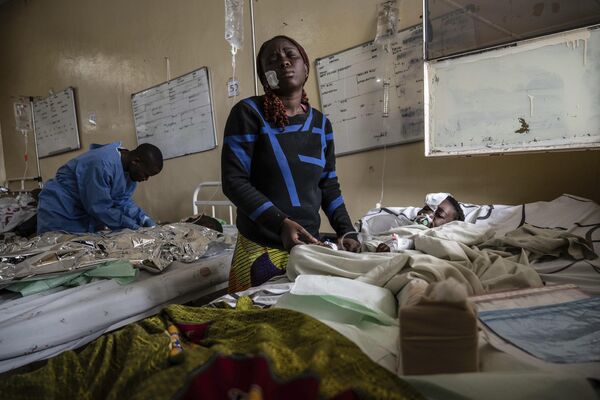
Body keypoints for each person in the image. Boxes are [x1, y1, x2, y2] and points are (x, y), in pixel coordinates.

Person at [222, 35, 360, 292]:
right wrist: (280, 223)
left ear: (305, 68)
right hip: (259, 247)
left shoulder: (321, 125)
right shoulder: (248, 113)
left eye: (290, 55)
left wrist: (346, 230)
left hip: (309, 246)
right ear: (265, 77)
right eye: (273, 59)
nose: (283, 62)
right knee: (258, 322)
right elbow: (233, 181)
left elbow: (328, 184)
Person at [37, 142, 163, 234]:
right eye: (146, 174)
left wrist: (142, 218)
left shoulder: (130, 172)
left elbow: (122, 200)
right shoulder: (102, 164)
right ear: (136, 161)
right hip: (61, 211)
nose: (146, 179)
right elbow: (100, 207)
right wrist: (131, 226)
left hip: (83, 213)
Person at [373, 195, 465, 252]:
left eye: (439, 214)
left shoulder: (444, 239)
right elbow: (374, 241)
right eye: (426, 209)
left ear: (450, 225)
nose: (428, 214)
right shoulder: (399, 227)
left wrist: (399, 245)